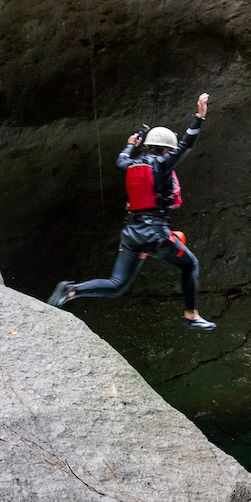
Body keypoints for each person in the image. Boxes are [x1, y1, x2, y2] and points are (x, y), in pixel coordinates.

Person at [47, 93, 215, 331]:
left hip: (132, 233)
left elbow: (121, 158)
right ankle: (191, 315)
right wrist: (199, 117)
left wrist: (130, 144)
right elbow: (187, 144)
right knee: (190, 264)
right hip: (153, 234)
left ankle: (71, 290)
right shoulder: (162, 164)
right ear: (167, 150)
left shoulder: (131, 163)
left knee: (116, 285)